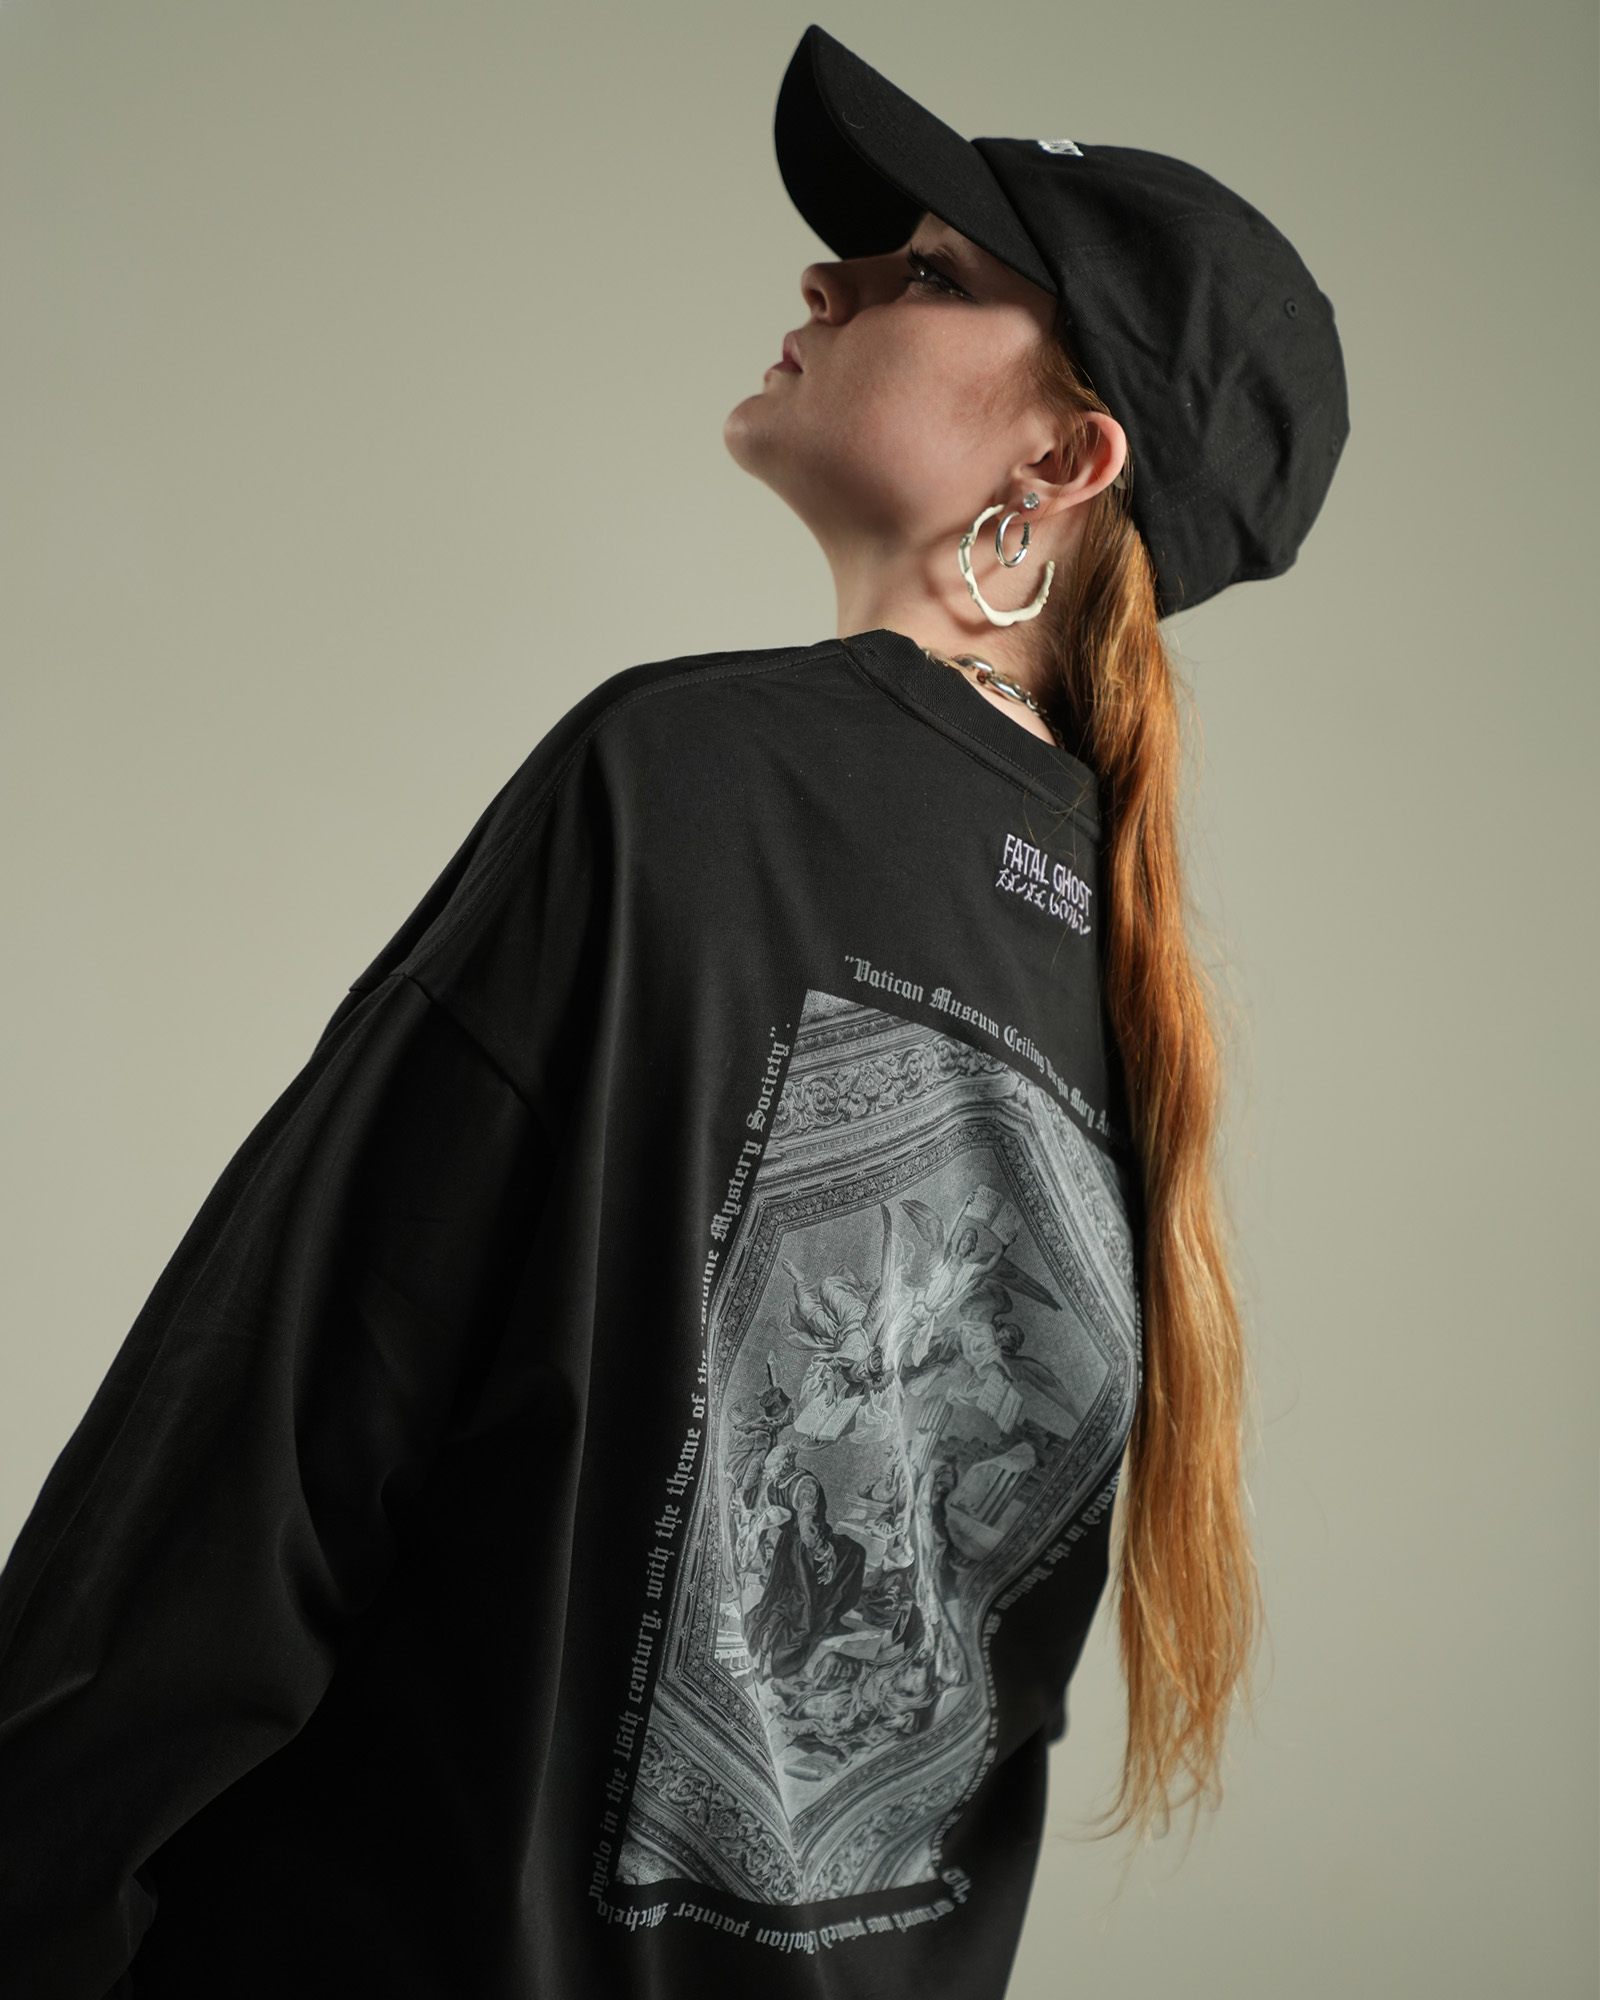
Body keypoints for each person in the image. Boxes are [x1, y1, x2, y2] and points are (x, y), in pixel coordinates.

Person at [0, 24, 1346, 2000]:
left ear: (1059, 466)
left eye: (924, 271)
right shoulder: (1134, 1013)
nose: (829, 278)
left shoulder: (687, 785)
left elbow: (256, 1463)